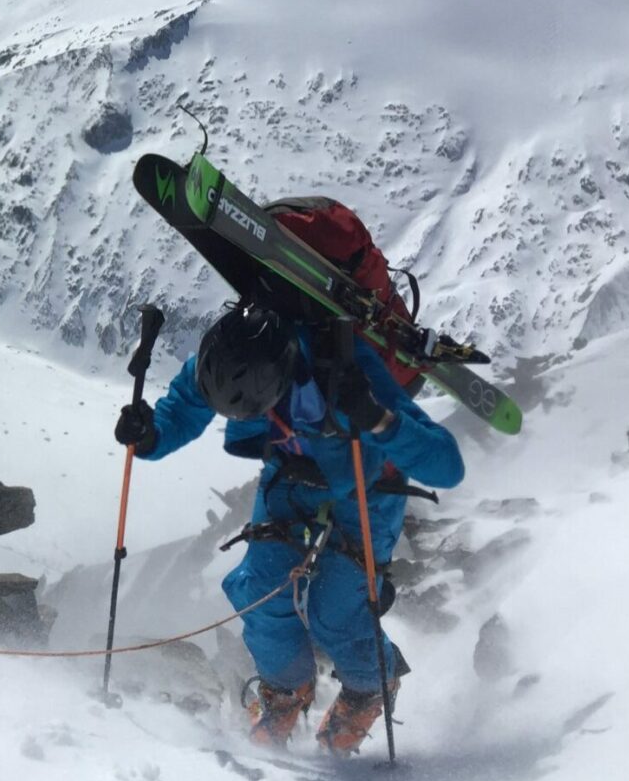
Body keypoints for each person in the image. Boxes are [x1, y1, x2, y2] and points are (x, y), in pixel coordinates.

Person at [113, 302, 463, 756]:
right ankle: (284, 691)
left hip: (367, 486)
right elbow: (183, 407)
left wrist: (378, 419)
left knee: (337, 612)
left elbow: (447, 465)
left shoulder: (346, 369)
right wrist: (150, 435)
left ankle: (370, 685)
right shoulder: (227, 360)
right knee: (259, 588)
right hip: (291, 477)